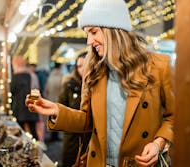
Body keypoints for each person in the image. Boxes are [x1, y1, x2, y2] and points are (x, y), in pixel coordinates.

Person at [25, 0, 174, 166]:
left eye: (94, 32)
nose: (89, 41)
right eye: (87, 34)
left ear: (114, 30)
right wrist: (56, 110)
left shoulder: (158, 66)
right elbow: (88, 120)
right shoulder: (93, 69)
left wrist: (158, 144)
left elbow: (175, 117)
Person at [58, 52, 91, 167]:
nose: (82, 69)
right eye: (79, 66)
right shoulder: (69, 85)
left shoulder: (96, 85)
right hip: (72, 136)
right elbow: (61, 106)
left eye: (85, 65)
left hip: (90, 137)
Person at [11, 56, 39, 140]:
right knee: (33, 131)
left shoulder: (15, 76)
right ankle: (36, 150)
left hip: (19, 109)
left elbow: (12, 91)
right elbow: (36, 91)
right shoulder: (32, 75)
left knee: (20, 132)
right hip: (30, 107)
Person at [44, 62, 64, 141]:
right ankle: (56, 136)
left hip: (50, 100)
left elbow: (46, 90)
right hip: (59, 100)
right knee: (58, 118)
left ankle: (52, 135)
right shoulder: (62, 76)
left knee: (52, 118)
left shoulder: (50, 77)